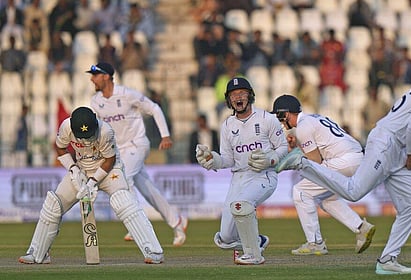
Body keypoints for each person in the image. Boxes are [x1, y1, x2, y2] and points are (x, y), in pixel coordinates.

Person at [275, 56, 411, 275]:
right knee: (353, 192)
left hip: (396, 149)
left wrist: (406, 153)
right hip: (387, 142)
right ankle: (300, 163)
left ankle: (387, 260)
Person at [19, 106, 164, 264]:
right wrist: (73, 169)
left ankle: (154, 251)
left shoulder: (105, 131)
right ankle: (38, 253)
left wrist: (92, 183)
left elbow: (110, 160)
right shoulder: (66, 127)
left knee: (123, 201)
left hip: (109, 171)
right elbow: (60, 147)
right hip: (82, 170)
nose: (86, 140)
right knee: (54, 204)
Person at [86, 62, 188, 246]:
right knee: (149, 190)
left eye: (95, 75)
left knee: (123, 179)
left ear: (106, 76)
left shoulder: (126, 94)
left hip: (137, 144)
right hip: (118, 150)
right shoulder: (96, 101)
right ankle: (177, 222)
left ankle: (135, 223)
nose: (92, 79)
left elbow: (154, 108)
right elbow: (99, 128)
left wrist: (165, 136)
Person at [196, 77, 288, 265]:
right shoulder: (228, 125)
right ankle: (257, 241)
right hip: (238, 178)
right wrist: (212, 160)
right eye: (233, 95)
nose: (238, 97)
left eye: (242, 93)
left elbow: (283, 148)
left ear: (250, 96)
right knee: (226, 238)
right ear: (229, 101)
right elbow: (227, 159)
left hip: (264, 175)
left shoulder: (266, 119)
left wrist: (270, 160)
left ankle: (254, 255)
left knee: (242, 205)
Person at [271, 94, 376, 255]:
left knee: (301, 192)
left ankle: (315, 243)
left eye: (280, 117)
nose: (281, 124)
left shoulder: (304, 126)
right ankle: (361, 227)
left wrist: (289, 160)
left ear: (284, 114)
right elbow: (318, 149)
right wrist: (297, 146)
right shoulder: (313, 119)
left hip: (344, 160)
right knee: (326, 198)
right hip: (354, 158)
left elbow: (315, 161)